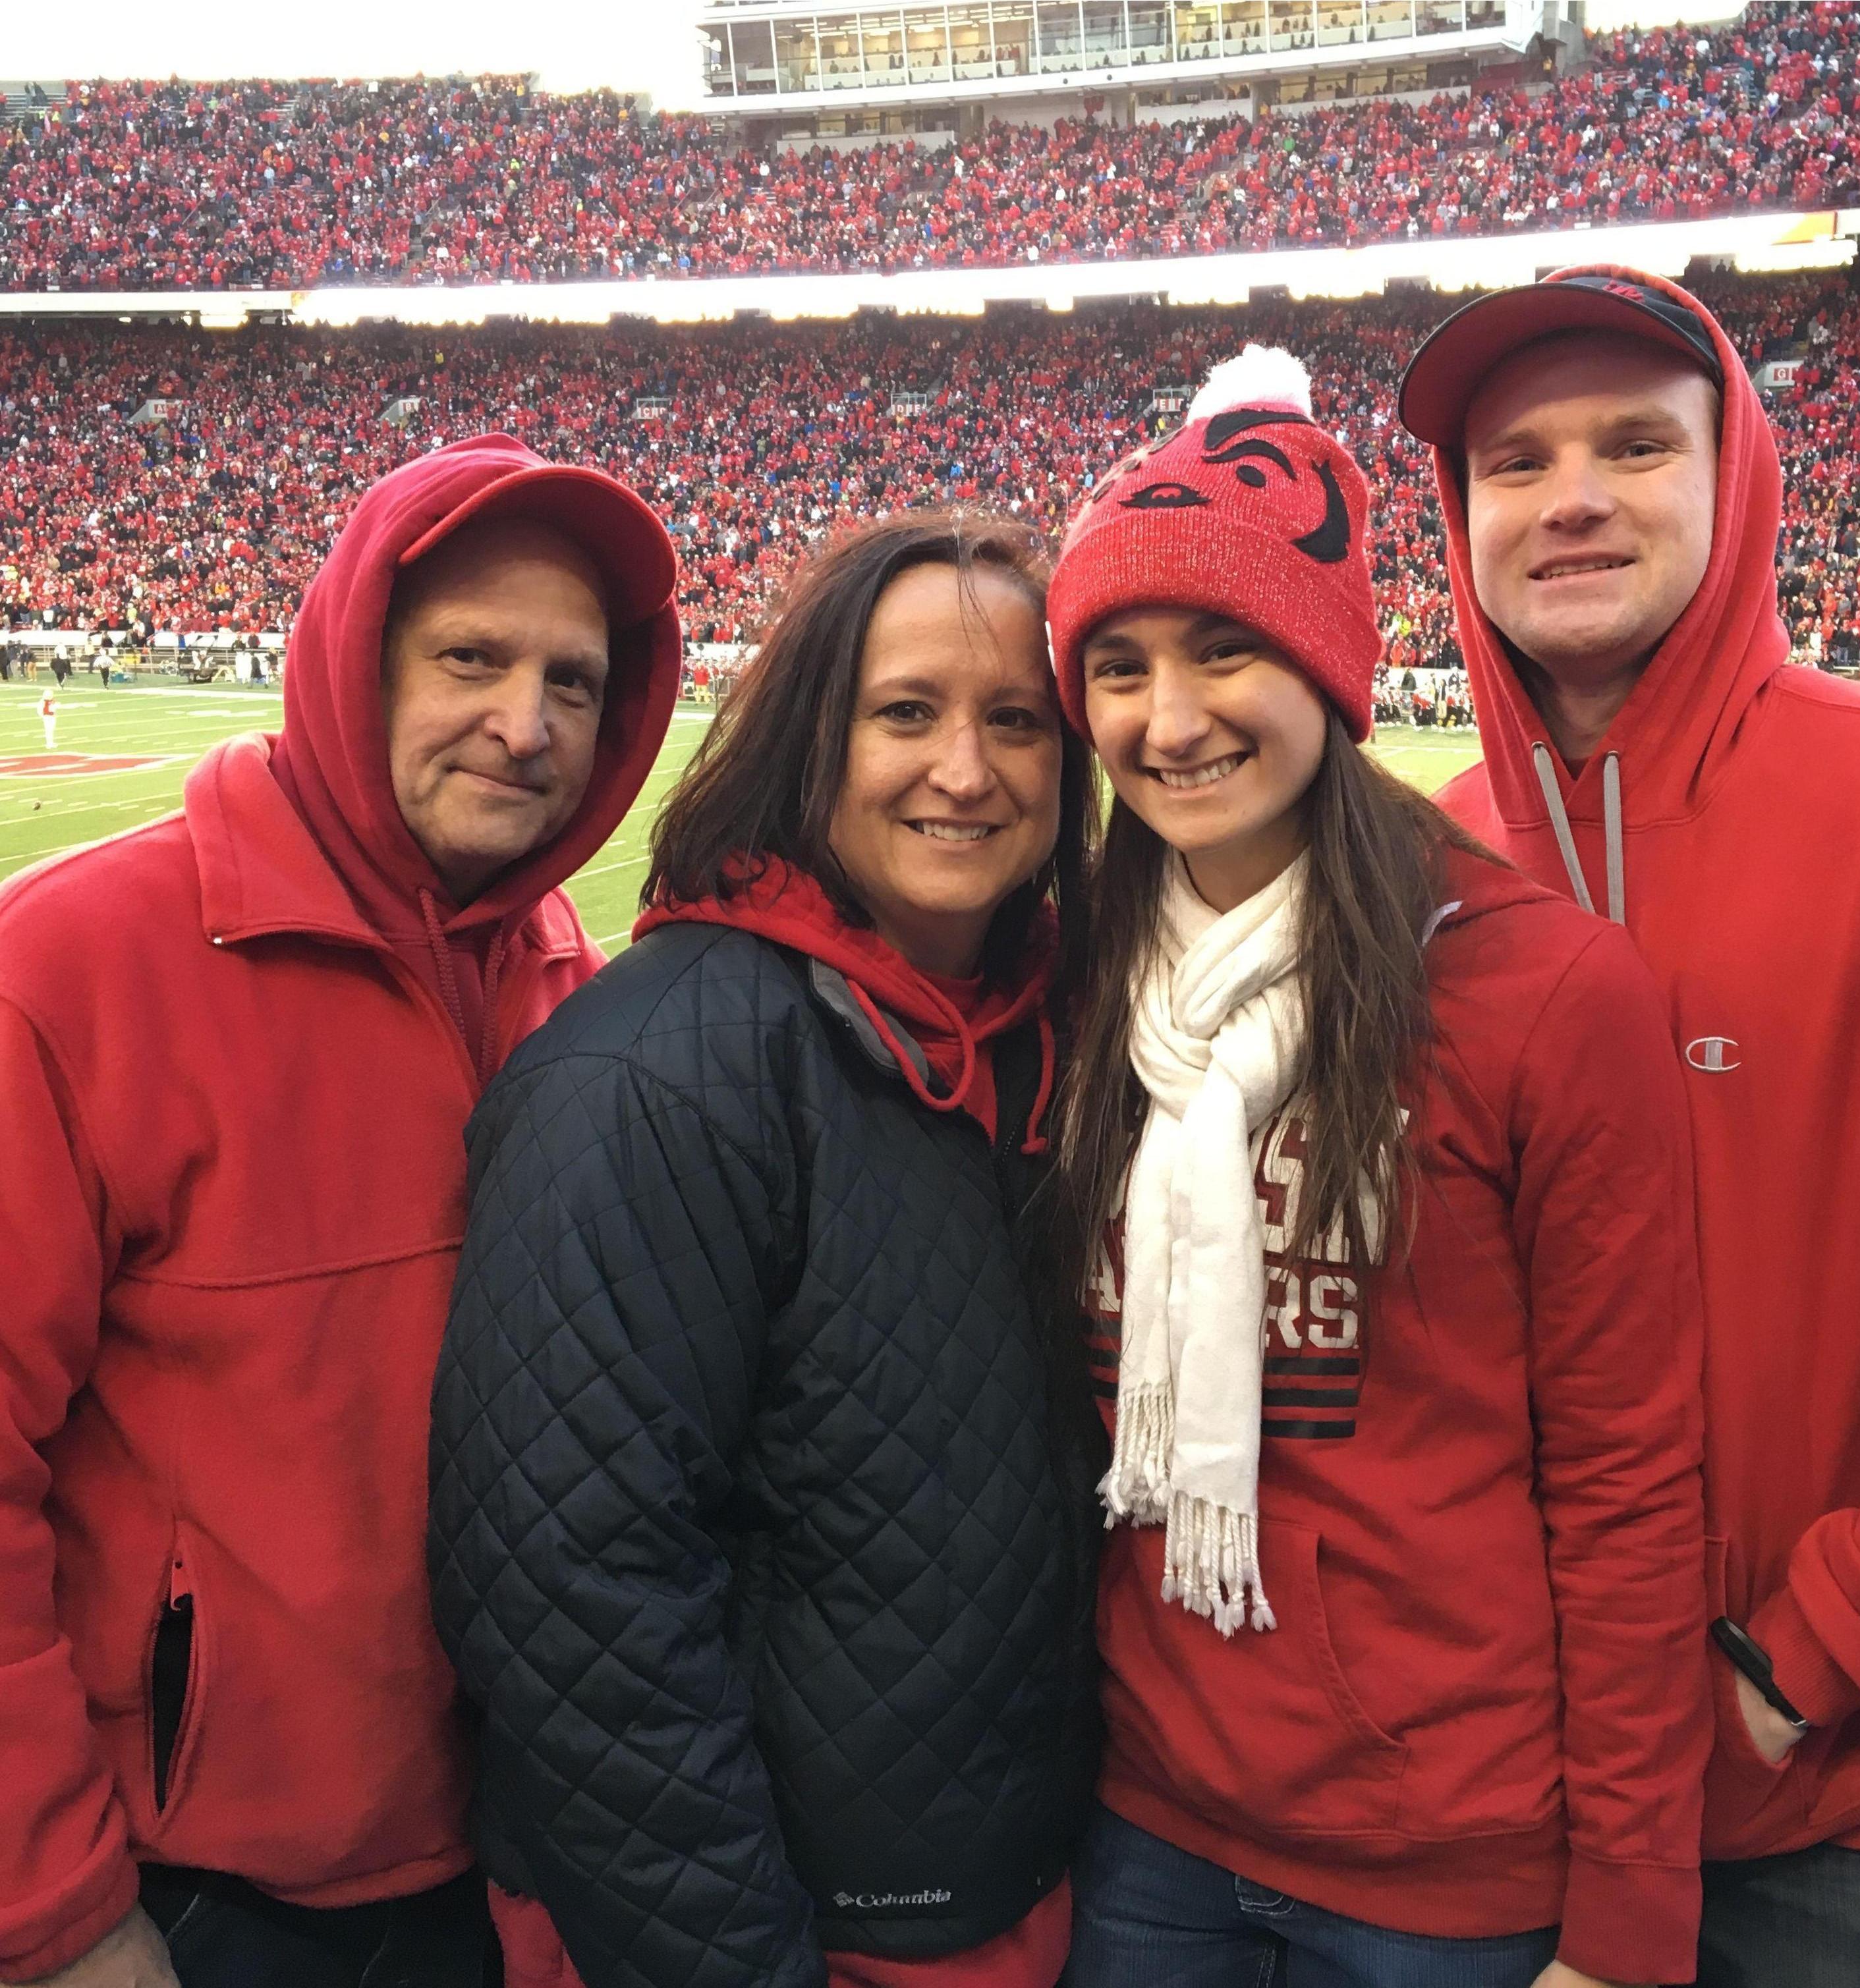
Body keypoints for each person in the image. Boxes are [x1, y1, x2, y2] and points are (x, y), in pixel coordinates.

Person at [1045, 347, 1711, 1988]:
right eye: (1116, 666)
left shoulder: (1536, 988)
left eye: (1225, 649)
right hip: (1145, 1822)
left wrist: (1630, 1920)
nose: (1169, 717)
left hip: (1445, 1864)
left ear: (1332, 670)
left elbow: (1629, 1484)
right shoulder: (1067, 983)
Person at [0, 433, 679, 1988]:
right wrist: (53, 1920)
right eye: (470, 658)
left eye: (575, 681)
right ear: (348, 660)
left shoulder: (583, 992)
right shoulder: (70, 968)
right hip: (186, 1901)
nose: (527, 725)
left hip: (510, 1876)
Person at [1398, 265, 1860, 1985]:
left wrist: (1811, 1659)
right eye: (1513, 463)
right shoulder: (1421, 861)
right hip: (1526, 1789)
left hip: (1840, 1803)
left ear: (1739, 487)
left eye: (1634, 445)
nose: (1570, 495)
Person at [430, 512, 1104, 1988]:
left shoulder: (1064, 1039)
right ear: (814, 738)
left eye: (1018, 721)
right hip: (773, 1927)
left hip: (996, 1890)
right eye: (906, 713)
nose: (967, 770)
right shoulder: (653, 1070)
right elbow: (569, 1590)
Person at [39, 684, 56, 750]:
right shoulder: (43, 702)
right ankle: (49, 743)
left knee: (52, 730)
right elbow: (40, 710)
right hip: (47, 717)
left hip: (52, 716)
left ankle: (51, 742)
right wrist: (42, 716)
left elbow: (54, 708)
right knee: (48, 730)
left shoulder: (51, 701)